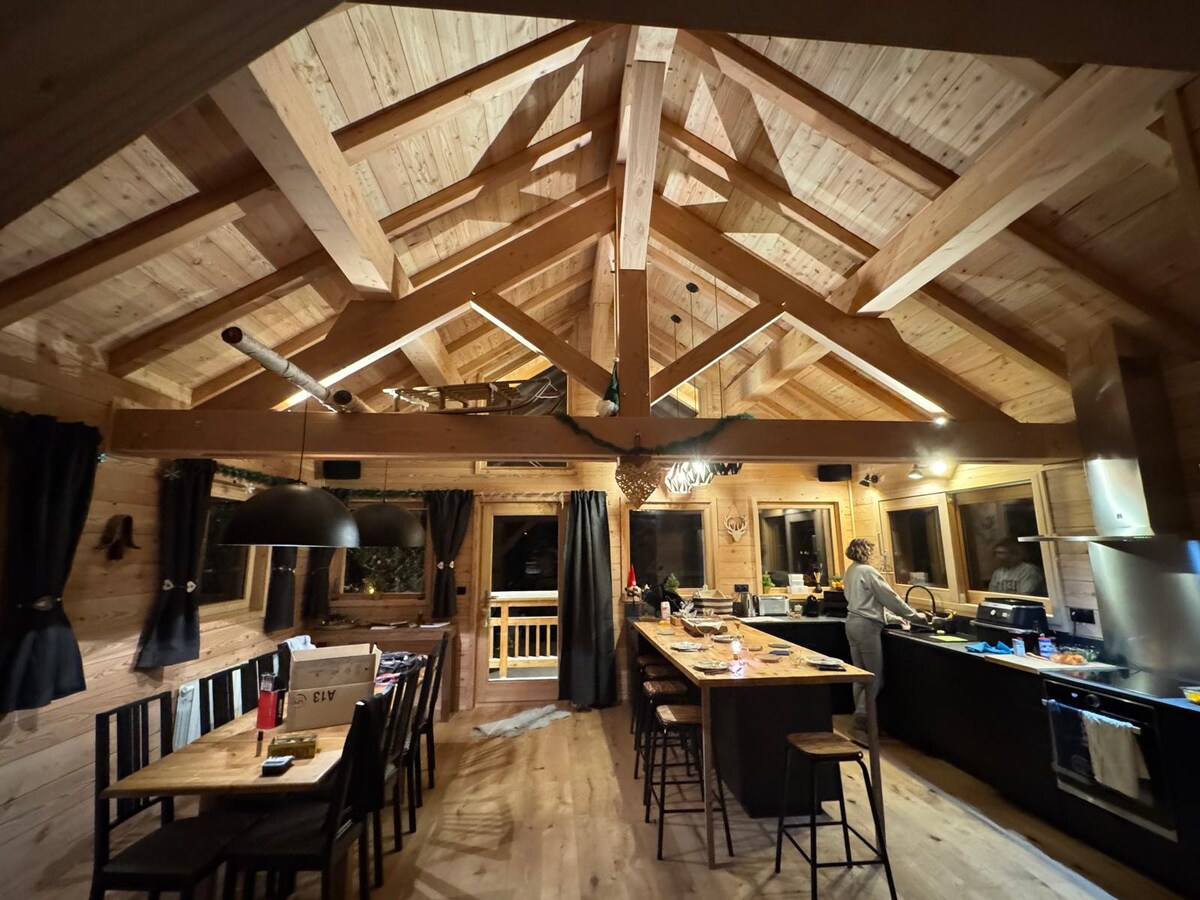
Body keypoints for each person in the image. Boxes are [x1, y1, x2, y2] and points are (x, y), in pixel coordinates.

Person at [843, 538, 929, 738]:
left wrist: (892, 617)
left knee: (859, 675)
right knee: (874, 678)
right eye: (873, 552)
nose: (876, 557)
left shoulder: (851, 570)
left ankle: (865, 723)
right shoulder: (868, 572)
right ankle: (860, 722)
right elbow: (890, 598)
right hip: (866, 627)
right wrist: (915, 616)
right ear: (867, 553)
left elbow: (863, 602)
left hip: (852, 622)